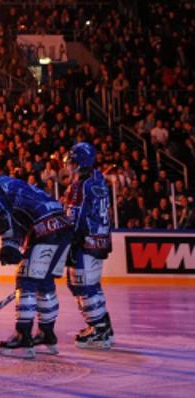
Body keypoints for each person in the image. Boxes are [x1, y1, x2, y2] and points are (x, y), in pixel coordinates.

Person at [0, 156, 73, 359]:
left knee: (26, 280)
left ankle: (23, 337)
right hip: (61, 225)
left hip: (45, 228)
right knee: (44, 282)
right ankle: (47, 334)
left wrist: (7, 245)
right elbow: (17, 218)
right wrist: (11, 245)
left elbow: (3, 217)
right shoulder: (7, 183)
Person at [62, 142, 116, 349]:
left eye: (73, 162)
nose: (70, 166)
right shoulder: (99, 180)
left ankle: (99, 330)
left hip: (84, 241)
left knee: (81, 285)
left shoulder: (80, 185)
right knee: (92, 285)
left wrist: (68, 240)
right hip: (100, 240)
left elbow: (75, 217)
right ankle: (103, 325)